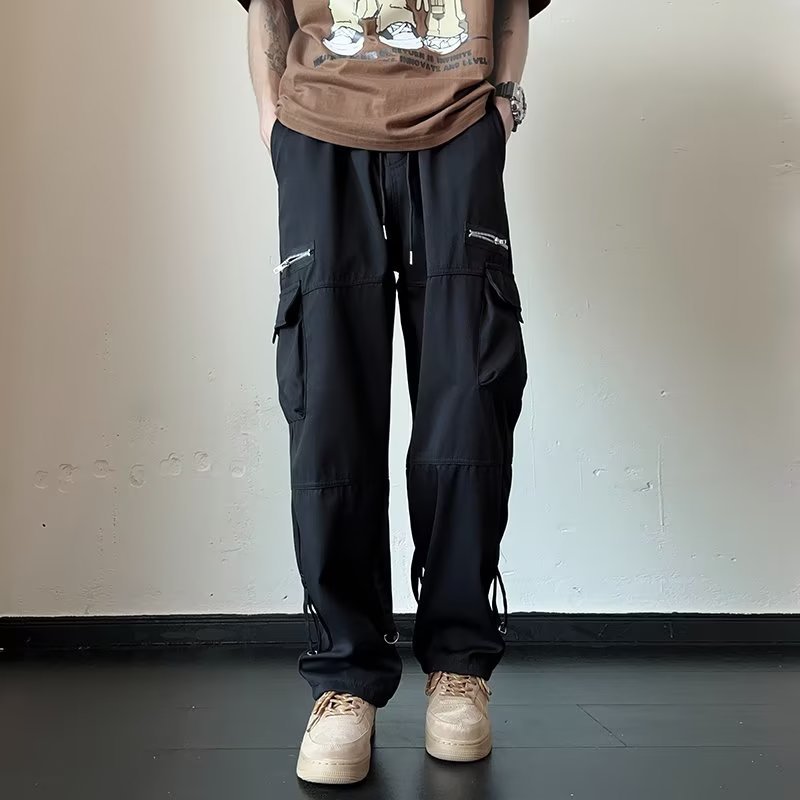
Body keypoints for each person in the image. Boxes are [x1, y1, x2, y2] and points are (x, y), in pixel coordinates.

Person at [238, 0, 549, 784]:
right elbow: (268, 9)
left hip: (458, 127)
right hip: (318, 133)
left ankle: (458, 666)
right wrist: (273, 123)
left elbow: (513, 7)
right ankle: (344, 677)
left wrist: (501, 110)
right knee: (327, 404)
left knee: (468, 396)